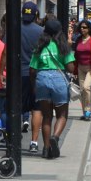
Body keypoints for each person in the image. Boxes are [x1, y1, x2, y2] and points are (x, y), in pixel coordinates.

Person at [29, 20, 74, 159]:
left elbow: (32, 69)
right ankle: (55, 137)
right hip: (59, 80)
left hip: (42, 78)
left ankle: (46, 147)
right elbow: (71, 68)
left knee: (47, 116)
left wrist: (34, 85)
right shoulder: (63, 46)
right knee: (62, 114)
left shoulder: (40, 46)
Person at [19, 2, 44, 151]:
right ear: (36, 14)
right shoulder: (41, 31)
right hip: (37, 74)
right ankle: (34, 143)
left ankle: (14, 138)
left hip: (18, 74)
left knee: (16, 106)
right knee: (37, 107)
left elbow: (4, 51)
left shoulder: (14, 29)